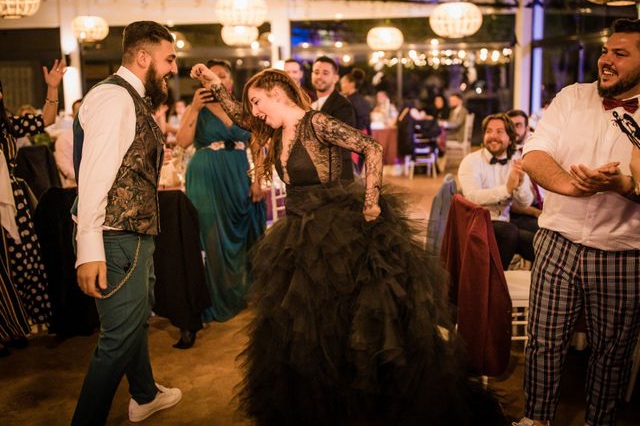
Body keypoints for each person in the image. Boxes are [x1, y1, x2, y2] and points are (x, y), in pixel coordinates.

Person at [190, 64, 505, 426]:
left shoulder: (316, 122)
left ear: (278, 95)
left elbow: (370, 148)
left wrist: (371, 200)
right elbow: (242, 117)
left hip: (335, 232)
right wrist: (213, 83)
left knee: (342, 322)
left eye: (259, 102)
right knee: (304, 326)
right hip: (297, 233)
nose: (256, 112)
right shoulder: (275, 128)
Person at [516, 18, 640, 426]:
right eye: (606, 50)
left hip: (624, 253)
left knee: (613, 352)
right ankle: (536, 420)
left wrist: (623, 184)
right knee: (544, 343)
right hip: (558, 241)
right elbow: (534, 155)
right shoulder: (572, 97)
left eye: (619, 54)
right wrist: (572, 186)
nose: (606, 60)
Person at [72, 21, 181, 425]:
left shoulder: (129, 99)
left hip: (130, 236)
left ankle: (145, 394)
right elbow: (94, 177)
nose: (172, 68)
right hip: (116, 238)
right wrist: (89, 249)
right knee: (116, 340)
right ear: (143, 57)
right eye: (168, 59)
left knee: (134, 319)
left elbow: (119, 164)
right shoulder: (114, 99)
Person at [176, 58, 266, 330]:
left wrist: (258, 180)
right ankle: (216, 299)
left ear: (229, 82)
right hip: (207, 176)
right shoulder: (197, 109)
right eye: (210, 76)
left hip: (239, 175)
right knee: (212, 237)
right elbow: (182, 142)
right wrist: (194, 108)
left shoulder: (242, 109)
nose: (217, 80)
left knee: (244, 233)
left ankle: (244, 293)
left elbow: (258, 146)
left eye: (223, 76)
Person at [0, 60, 61, 357]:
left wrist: (52, 88)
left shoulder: (8, 125)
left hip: (12, 200)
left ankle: (16, 325)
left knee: (21, 262)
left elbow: (47, 119)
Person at [457, 113, 536, 269]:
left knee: (541, 242)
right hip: (476, 223)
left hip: (504, 222)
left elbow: (526, 202)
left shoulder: (516, 161)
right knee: (509, 232)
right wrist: (507, 189)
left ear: (510, 138)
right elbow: (472, 197)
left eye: (499, 131)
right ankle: (495, 280)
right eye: (489, 131)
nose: (493, 136)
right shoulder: (471, 161)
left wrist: (519, 185)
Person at [311, 55, 356, 181]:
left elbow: (340, 141)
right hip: (317, 175)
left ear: (335, 78)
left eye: (325, 73)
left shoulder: (343, 106)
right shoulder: (311, 103)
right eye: (316, 72)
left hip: (337, 175)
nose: (319, 76)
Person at [506, 109, 544, 227]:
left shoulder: (538, 145)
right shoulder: (504, 155)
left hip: (547, 204)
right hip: (523, 210)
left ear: (527, 128)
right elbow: (507, 200)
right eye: (510, 126)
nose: (513, 130)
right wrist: (535, 212)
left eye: (518, 125)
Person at [54, 98, 82, 187]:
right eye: (78, 112)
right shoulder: (64, 138)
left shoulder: (99, 136)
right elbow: (66, 168)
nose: (83, 115)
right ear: (73, 115)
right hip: (75, 187)